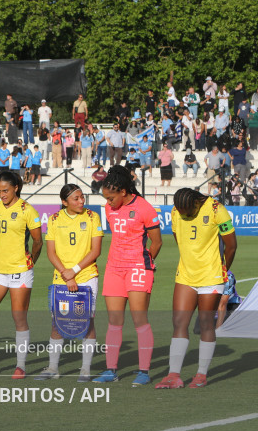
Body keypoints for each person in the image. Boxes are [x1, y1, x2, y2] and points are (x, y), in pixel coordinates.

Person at [155, 189, 237, 389]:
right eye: (181, 211)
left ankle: (201, 374)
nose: (184, 214)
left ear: (196, 203)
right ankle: (173, 375)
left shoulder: (217, 210)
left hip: (212, 275)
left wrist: (223, 269)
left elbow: (232, 246)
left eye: (188, 211)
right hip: (185, 275)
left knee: (206, 322)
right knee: (179, 322)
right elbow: (178, 239)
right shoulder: (176, 212)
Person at [93, 166, 162, 386]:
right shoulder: (108, 208)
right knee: (114, 322)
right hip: (114, 268)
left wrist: (145, 262)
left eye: (111, 197)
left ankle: (144, 371)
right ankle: (111, 370)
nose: (108, 202)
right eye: (106, 198)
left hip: (138, 268)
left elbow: (157, 241)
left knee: (139, 320)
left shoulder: (144, 208)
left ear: (124, 192)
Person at [0, 171, 43, 378]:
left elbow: (38, 241)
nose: (2, 194)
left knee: (19, 318)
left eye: (5, 190)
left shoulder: (28, 210)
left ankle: (20, 366)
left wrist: (30, 263)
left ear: (16, 188)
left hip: (21, 270)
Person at [39, 185, 104, 381]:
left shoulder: (93, 217)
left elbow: (96, 251)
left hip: (86, 276)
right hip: (62, 278)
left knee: (87, 321)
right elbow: (51, 252)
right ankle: (52, 368)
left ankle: (85, 369)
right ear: (64, 202)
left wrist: (73, 272)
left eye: (82, 197)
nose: (81, 201)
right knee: (57, 323)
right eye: (76, 199)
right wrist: (66, 275)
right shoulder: (55, 219)